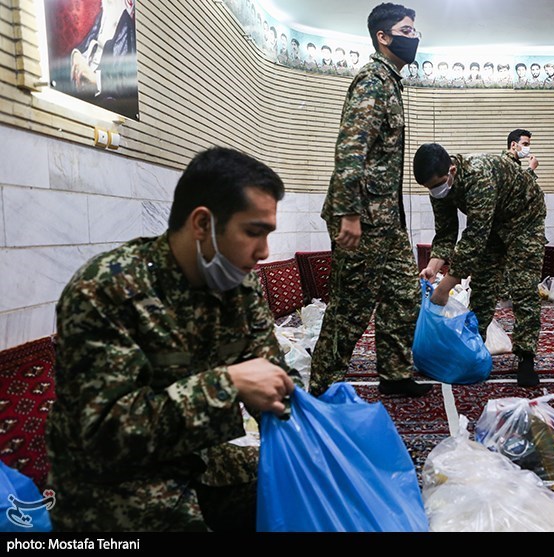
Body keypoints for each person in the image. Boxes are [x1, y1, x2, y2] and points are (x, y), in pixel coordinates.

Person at [45, 147, 300, 531]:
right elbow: (104, 434)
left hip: (199, 457)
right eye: (253, 233)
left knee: (300, 484)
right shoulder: (106, 290)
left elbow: (271, 370)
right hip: (115, 482)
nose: (264, 252)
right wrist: (227, 385)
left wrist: (306, 418)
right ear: (202, 223)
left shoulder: (239, 285)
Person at [309, 3, 431, 398]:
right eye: (407, 30)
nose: (414, 37)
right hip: (362, 216)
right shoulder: (372, 80)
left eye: (414, 31)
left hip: (387, 221)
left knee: (403, 294)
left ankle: (394, 375)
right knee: (351, 306)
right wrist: (348, 212)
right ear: (384, 36)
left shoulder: (392, 82)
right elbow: (350, 148)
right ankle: (322, 388)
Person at [413, 143, 547, 388]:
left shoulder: (479, 175)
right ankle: (473, 346)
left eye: (438, 184)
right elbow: (445, 233)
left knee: (523, 287)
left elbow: (474, 237)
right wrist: (433, 268)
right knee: (484, 287)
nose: (435, 191)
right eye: (429, 188)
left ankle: (526, 357)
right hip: (491, 223)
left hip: (524, 219)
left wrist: (445, 288)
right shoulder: (439, 186)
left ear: (452, 170)